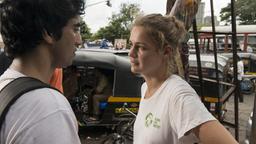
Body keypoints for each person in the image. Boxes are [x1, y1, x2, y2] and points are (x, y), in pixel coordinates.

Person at [129, 14, 238, 144]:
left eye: (141, 47)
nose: (131, 53)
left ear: (166, 52)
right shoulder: (145, 88)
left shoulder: (178, 95)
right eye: (131, 44)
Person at [0, 0, 84, 143]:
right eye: (75, 29)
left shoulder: (5, 84)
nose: (79, 40)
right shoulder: (48, 108)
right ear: (49, 32)